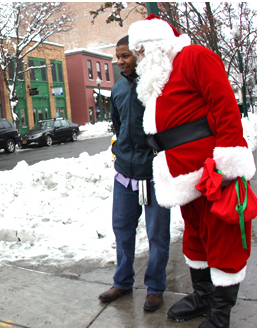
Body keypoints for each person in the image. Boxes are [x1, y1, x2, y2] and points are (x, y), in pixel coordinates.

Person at [128, 14, 256, 327]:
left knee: (223, 238)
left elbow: (224, 108)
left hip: (212, 171)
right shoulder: (160, 76)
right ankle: (203, 295)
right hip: (182, 177)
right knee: (196, 236)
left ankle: (220, 313)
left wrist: (228, 165)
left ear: (158, 43)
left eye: (141, 49)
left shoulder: (195, 57)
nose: (138, 57)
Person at [98, 35, 171, 312]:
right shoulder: (116, 89)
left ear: (139, 55)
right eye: (117, 57)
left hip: (153, 173)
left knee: (157, 234)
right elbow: (118, 127)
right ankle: (123, 281)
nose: (120, 62)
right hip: (124, 173)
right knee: (122, 229)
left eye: (125, 56)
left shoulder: (153, 87)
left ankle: (155, 288)